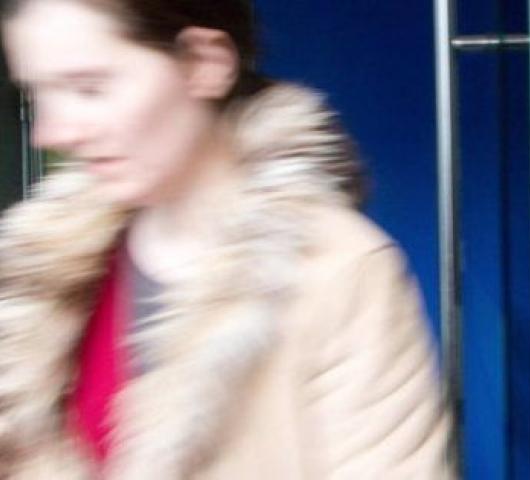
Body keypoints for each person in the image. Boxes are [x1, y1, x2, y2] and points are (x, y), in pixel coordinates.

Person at [0, 0, 451, 478]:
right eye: (37, 95)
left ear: (204, 63)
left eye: (90, 89)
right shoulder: (34, 273)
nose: (50, 133)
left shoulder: (343, 272)